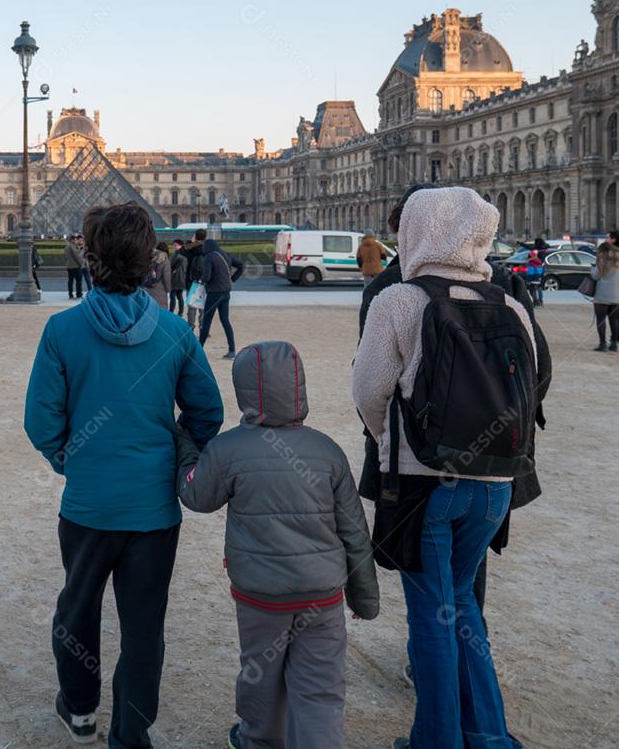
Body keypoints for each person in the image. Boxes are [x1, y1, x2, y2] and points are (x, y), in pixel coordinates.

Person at [24, 201, 224, 748]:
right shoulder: (175, 333)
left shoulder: (62, 330)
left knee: (77, 610)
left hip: (88, 506)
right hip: (154, 510)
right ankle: (130, 734)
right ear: (149, 261)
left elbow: (40, 422)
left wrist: (73, 460)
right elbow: (208, 413)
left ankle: (81, 709)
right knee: (143, 628)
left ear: (89, 257)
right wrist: (174, 452)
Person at [353, 187, 535, 748]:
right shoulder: (511, 305)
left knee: (432, 617)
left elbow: (369, 393)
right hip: (495, 484)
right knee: (462, 609)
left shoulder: (399, 301)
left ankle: (436, 740)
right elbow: (535, 387)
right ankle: (488, 735)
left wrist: (393, 443)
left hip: (424, 485)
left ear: (416, 231)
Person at [175, 341, 379, 749]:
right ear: (299, 387)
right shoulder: (327, 450)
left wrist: (184, 447)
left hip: (261, 596)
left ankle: (259, 740)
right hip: (321, 596)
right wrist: (364, 599)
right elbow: (354, 531)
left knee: (260, 675)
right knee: (320, 689)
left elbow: (197, 496)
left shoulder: (228, 449)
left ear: (243, 391)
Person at [198, 238, 244, 359]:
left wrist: (200, 280)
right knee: (225, 321)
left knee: (206, 320)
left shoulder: (209, 257)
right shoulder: (224, 254)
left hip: (214, 293)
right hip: (226, 292)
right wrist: (233, 278)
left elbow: (207, 277)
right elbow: (241, 266)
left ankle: (199, 349)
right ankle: (232, 349)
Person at [591, 231, 619, 352]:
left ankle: (602, 344)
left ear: (613, 239)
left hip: (603, 291)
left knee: (601, 319)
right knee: (615, 319)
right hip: (618, 292)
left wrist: (591, 269)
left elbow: (596, 275)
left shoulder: (604, 256)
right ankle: (614, 343)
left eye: (608, 237)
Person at [182, 230, 207, 331]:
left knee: (191, 306)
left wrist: (191, 242)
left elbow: (181, 251)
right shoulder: (208, 248)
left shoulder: (190, 249)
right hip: (204, 280)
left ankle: (190, 326)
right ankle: (203, 326)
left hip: (191, 281)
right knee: (203, 307)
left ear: (195, 237)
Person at [144, 241, 172, 307]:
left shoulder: (149, 257)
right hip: (160, 289)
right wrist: (168, 289)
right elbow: (166, 277)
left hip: (147, 287)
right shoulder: (165, 260)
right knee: (161, 309)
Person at [168, 239, 187, 316]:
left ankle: (171, 312)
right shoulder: (185, 255)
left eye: (175, 245)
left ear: (180, 245)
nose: (174, 246)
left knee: (172, 296)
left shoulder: (176, 255)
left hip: (175, 278)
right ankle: (181, 312)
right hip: (182, 279)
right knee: (180, 296)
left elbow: (170, 266)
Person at [64, 233, 86, 299]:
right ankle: (79, 294)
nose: (77, 240)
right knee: (78, 281)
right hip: (75, 266)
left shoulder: (66, 246)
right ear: (73, 240)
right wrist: (81, 265)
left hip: (69, 266)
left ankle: (70, 294)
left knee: (70, 281)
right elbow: (78, 256)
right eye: (76, 239)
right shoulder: (73, 246)